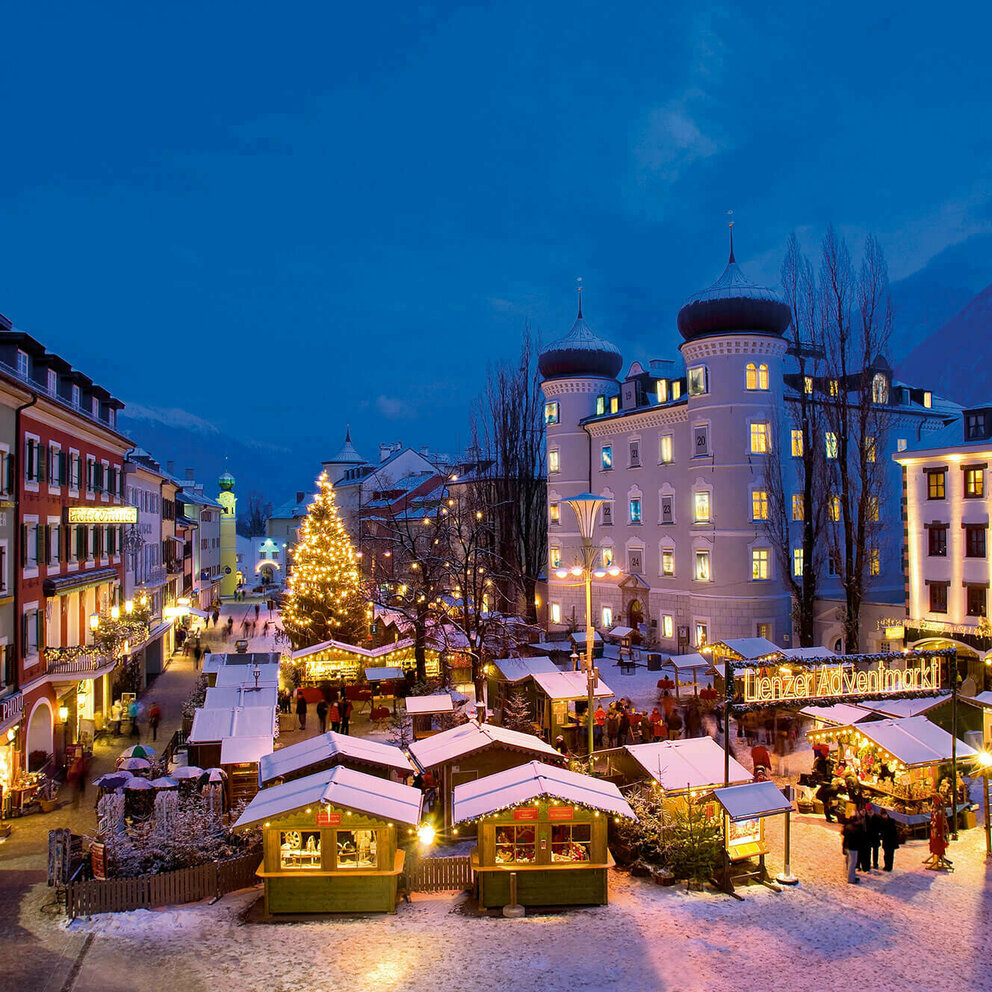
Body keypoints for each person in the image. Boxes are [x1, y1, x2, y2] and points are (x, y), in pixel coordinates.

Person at [842, 813, 863, 884]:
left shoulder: (848, 826)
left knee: (848, 862)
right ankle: (851, 879)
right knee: (852, 863)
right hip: (853, 847)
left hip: (847, 846)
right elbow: (859, 839)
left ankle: (849, 875)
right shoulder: (856, 829)